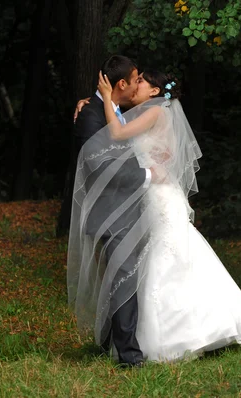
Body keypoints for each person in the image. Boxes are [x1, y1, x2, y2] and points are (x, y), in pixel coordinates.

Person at [69, 68, 241, 363]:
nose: (136, 85)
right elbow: (119, 123)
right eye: (135, 80)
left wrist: (107, 98)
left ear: (155, 92)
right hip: (147, 192)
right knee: (155, 255)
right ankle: (138, 335)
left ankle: (178, 333)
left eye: (142, 82)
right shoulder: (146, 111)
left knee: (166, 253)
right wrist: (94, 101)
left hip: (157, 192)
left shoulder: (157, 111)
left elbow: (118, 132)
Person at [68, 55, 149, 368]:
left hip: (123, 209)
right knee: (123, 281)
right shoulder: (91, 116)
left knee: (119, 281)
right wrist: (147, 177)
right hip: (110, 212)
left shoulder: (111, 111)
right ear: (122, 84)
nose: (138, 84)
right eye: (135, 78)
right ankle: (129, 357)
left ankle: (111, 344)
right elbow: (99, 168)